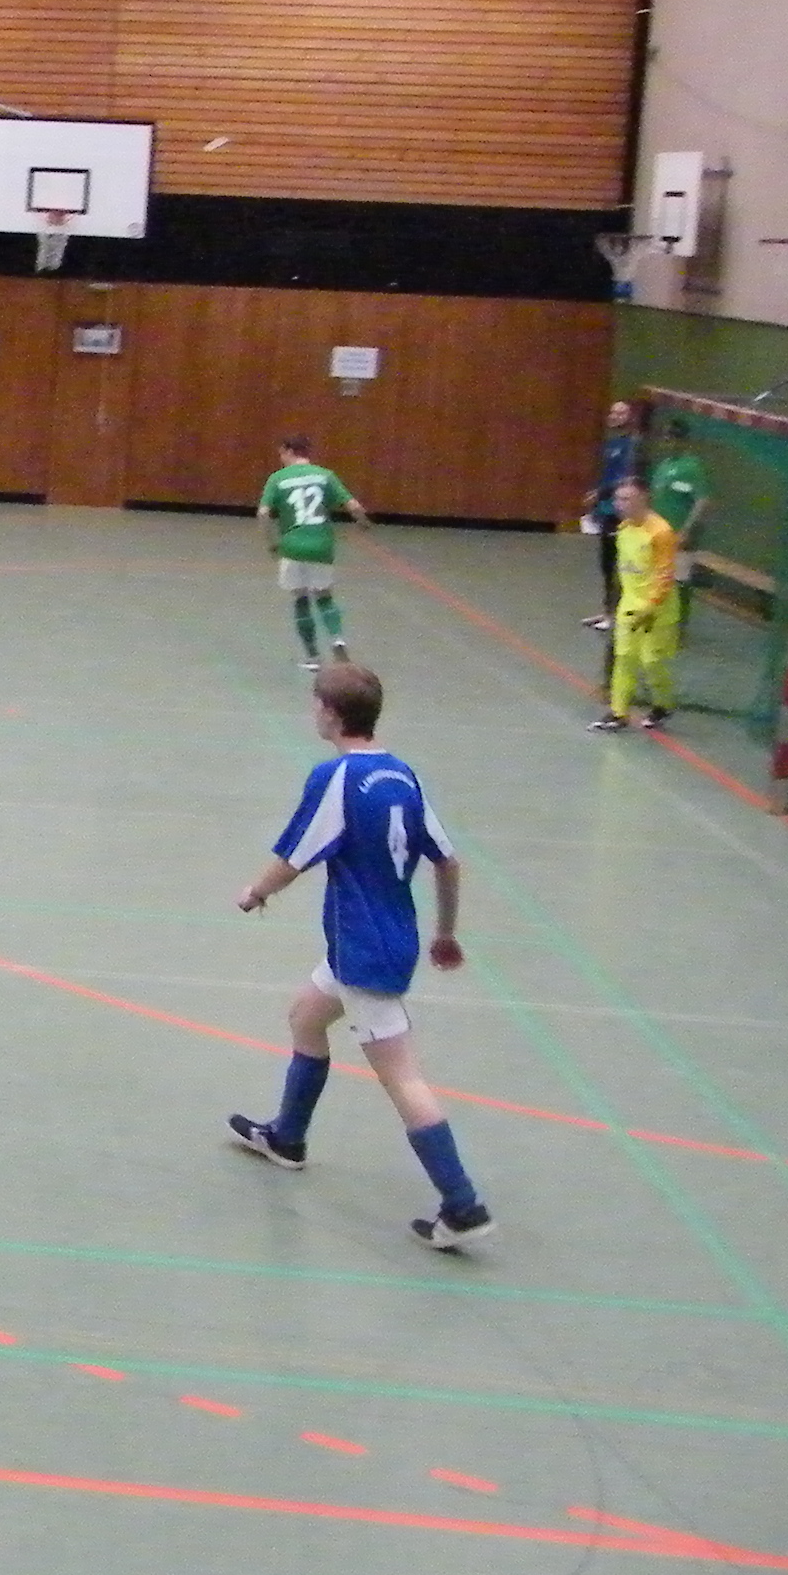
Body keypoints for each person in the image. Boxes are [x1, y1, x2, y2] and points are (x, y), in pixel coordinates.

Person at [227, 663, 493, 1252]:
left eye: (315, 704)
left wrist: (256, 892)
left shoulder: (336, 777)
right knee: (306, 1016)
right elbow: (448, 860)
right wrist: (446, 933)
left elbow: (295, 856)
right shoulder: (401, 774)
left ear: (330, 713)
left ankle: (462, 1204)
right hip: (388, 938)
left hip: (363, 952)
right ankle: (287, 1138)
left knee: (403, 1077)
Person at [257, 435, 368, 669]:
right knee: (325, 596)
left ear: (288, 451)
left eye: (281, 453)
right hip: (321, 545)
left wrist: (271, 543)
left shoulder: (277, 478)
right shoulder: (325, 475)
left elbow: (264, 513)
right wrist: (362, 523)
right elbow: (354, 506)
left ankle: (313, 656)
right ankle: (337, 641)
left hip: (292, 546)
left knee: (301, 598)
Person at [591, 475, 679, 734]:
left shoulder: (661, 532)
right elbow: (624, 571)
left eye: (627, 499)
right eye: (618, 499)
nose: (620, 504)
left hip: (657, 610)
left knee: (652, 661)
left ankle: (663, 704)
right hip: (630, 606)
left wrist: (650, 606)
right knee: (624, 657)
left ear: (644, 498)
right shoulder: (624, 529)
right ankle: (618, 713)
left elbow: (664, 574)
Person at [583, 398, 639, 630]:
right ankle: (607, 611)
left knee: (619, 564)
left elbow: (627, 479)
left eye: (621, 413)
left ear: (630, 417)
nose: (615, 417)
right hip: (606, 509)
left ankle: (619, 614)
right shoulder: (611, 443)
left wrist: (602, 493)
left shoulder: (632, 445)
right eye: (613, 413)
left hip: (620, 513)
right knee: (606, 564)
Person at [650, 427, 710, 639]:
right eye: (665, 439)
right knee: (658, 578)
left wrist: (686, 530)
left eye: (672, 439)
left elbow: (702, 500)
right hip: (660, 534)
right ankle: (659, 620)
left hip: (680, 536)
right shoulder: (663, 466)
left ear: (682, 441)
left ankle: (679, 627)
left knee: (680, 580)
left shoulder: (692, 467)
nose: (667, 443)